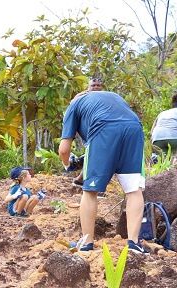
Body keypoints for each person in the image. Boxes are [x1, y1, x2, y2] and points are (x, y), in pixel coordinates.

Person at [59, 91, 148, 254]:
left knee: (90, 190)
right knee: (134, 190)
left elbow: (64, 150)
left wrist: (68, 165)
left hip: (104, 129)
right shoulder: (113, 96)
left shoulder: (74, 105)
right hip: (134, 128)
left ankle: (86, 243)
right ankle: (134, 243)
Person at [72, 77, 104, 188]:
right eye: (93, 85)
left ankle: (81, 179)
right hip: (88, 129)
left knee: (96, 154)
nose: (96, 87)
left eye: (98, 85)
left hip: (103, 129)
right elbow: (72, 108)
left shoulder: (106, 97)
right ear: (88, 87)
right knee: (95, 153)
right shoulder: (82, 96)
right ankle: (90, 183)